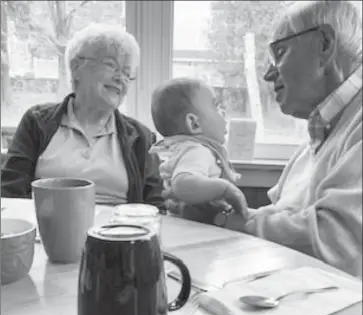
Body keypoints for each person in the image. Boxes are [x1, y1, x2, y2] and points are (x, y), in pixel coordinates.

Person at [242, 0, 362, 278]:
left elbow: (336, 241)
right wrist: (229, 211)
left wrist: (230, 220)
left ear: (324, 44)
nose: (268, 74)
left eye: (279, 52)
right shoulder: (317, 135)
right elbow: (279, 216)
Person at [1, 23, 164, 208]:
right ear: (77, 67)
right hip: (48, 229)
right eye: (112, 65)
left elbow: (156, 207)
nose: (121, 78)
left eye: (127, 73)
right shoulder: (36, 122)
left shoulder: (141, 136)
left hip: (118, 233)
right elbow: (11, 193)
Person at [150, 77, 248, 227]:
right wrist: (225, 189)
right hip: (192, 234)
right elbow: (182, 183)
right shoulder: (196, 151)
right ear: (194, 123)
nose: (223, 113)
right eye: (216, 107)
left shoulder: (185, 150)